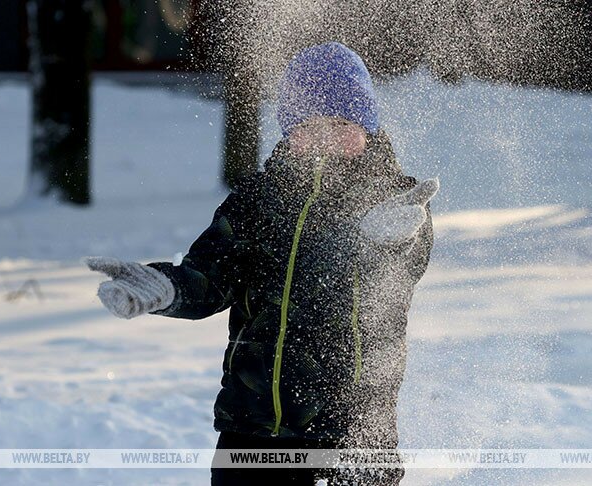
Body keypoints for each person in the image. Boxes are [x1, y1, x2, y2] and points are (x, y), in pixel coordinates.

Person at [86, 41, 437, 485]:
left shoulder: (395, 202)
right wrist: (166, 287)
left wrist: (391, 243)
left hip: (355, 433)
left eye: (342, 123)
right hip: (254, 426)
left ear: (367, 127)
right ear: (289, 130)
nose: (326, 137)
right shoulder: (258, 201)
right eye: (311, 125)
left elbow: (407, 262)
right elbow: (208, 277)